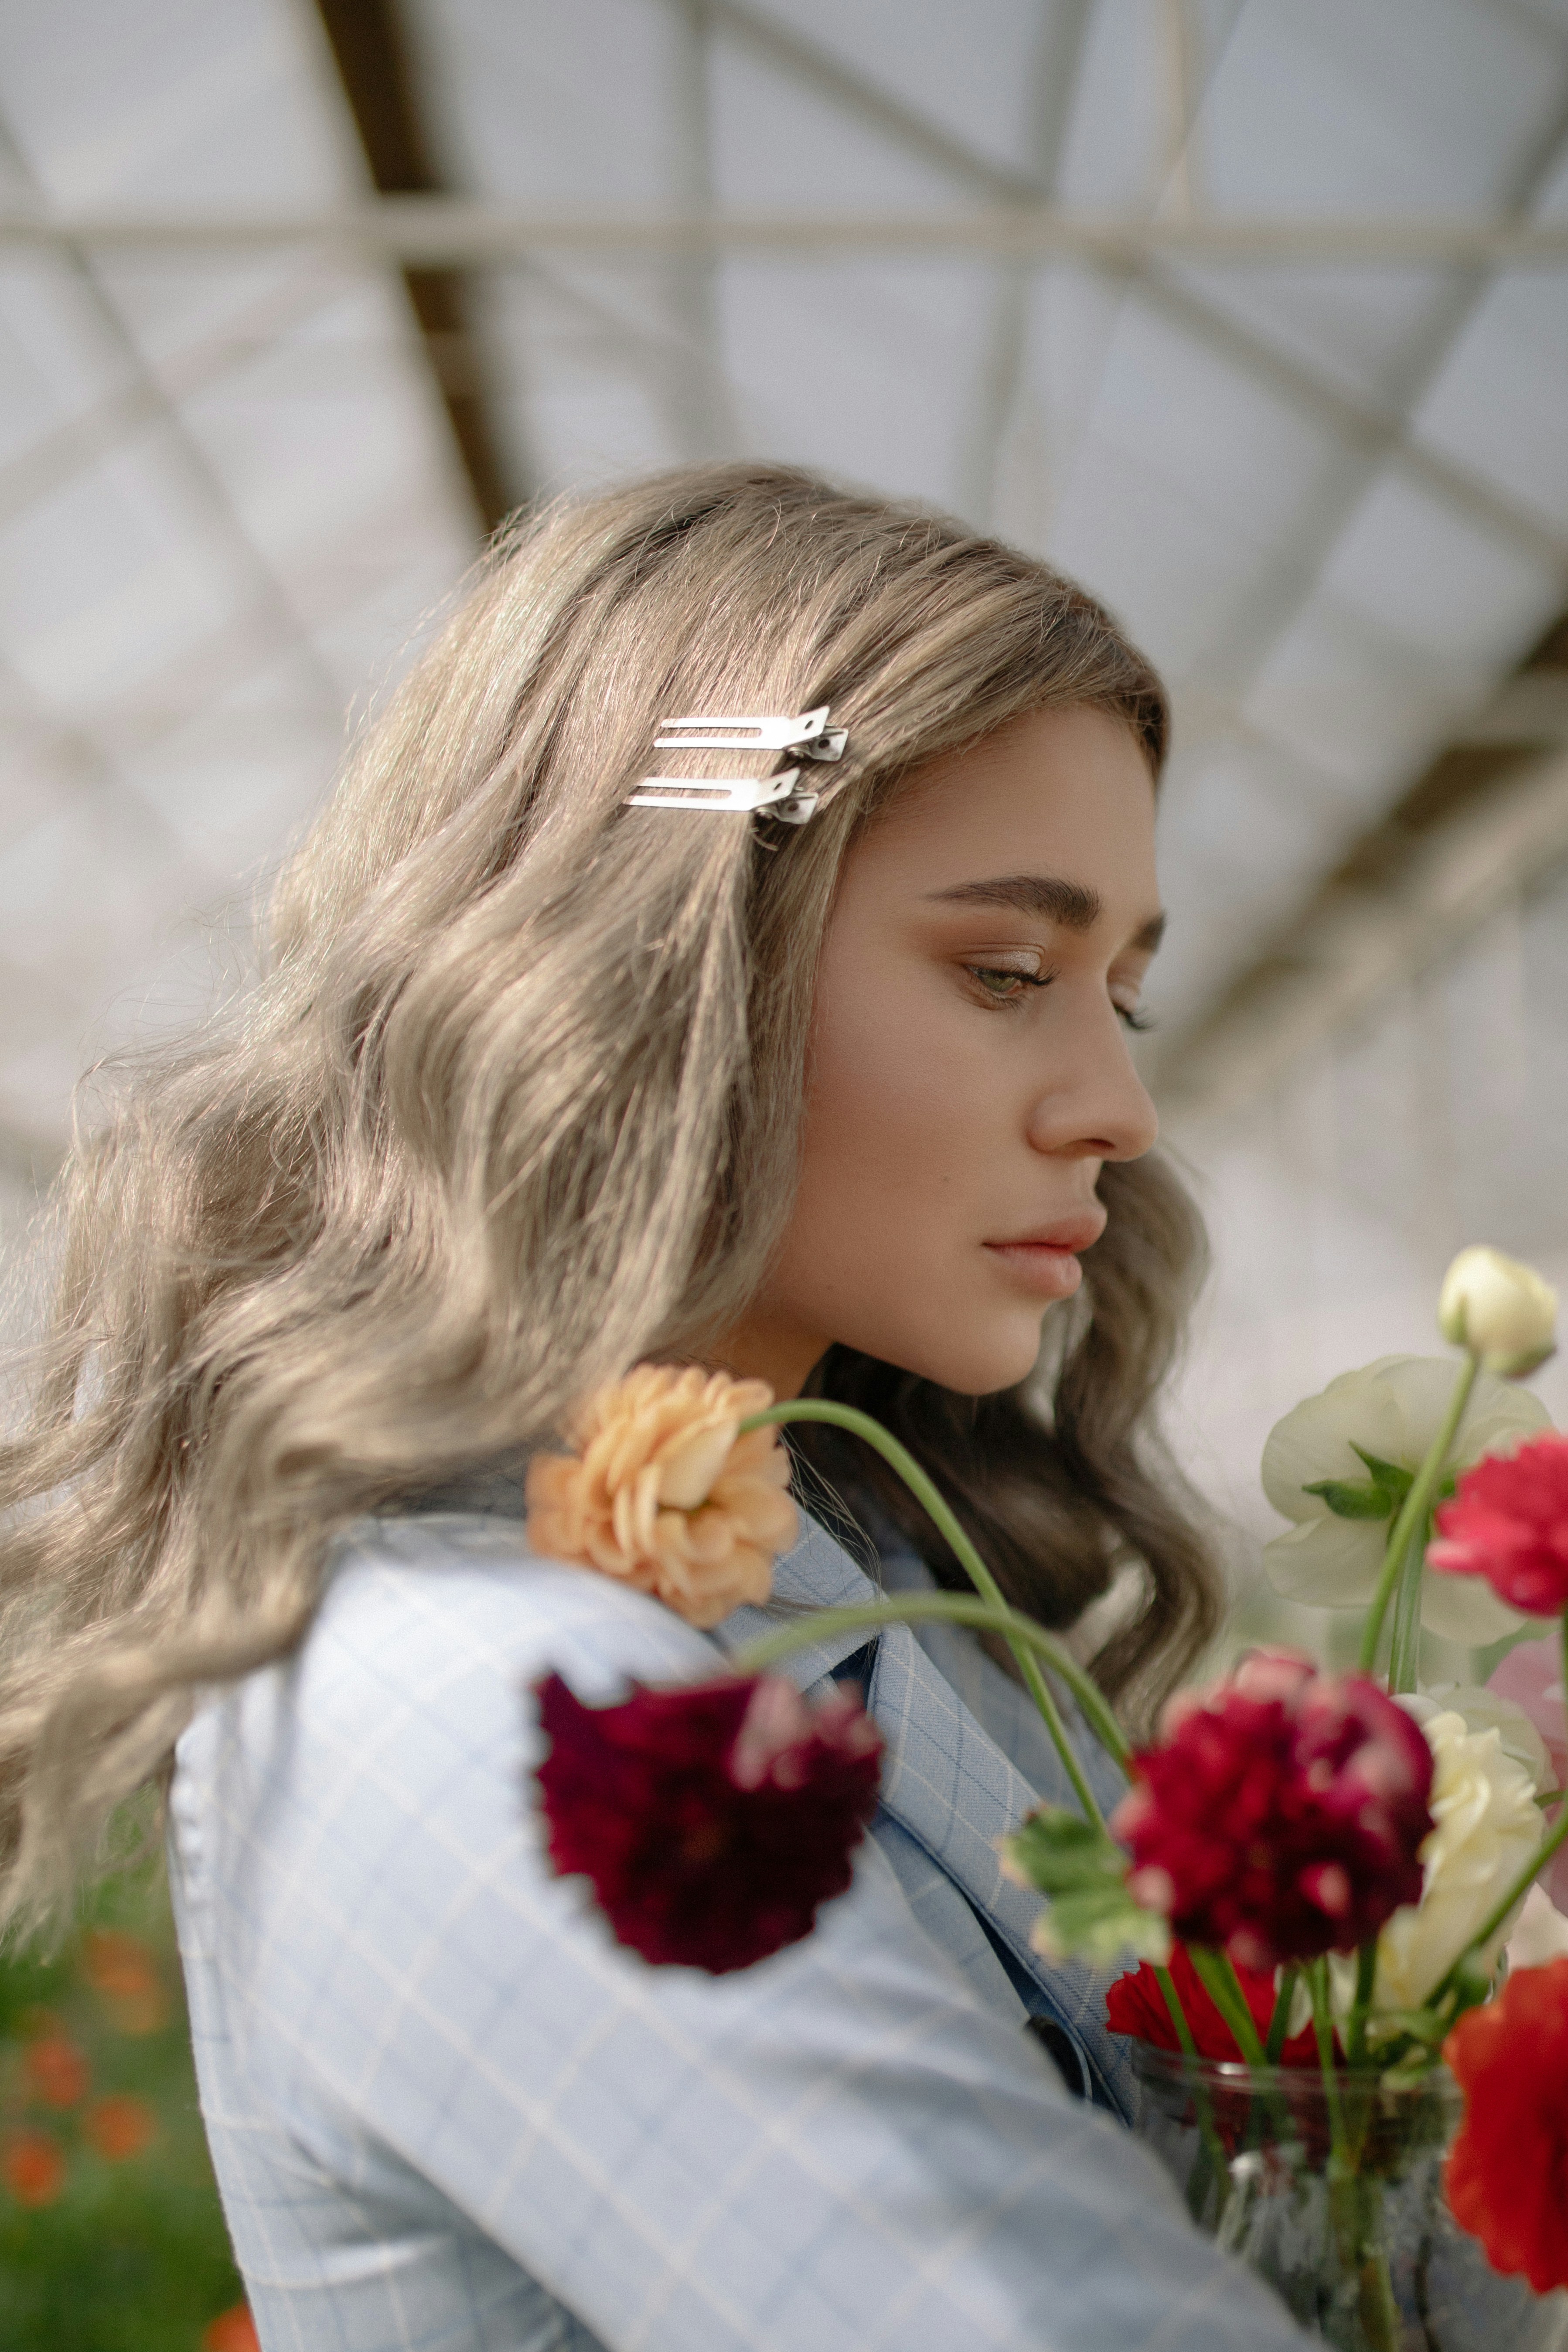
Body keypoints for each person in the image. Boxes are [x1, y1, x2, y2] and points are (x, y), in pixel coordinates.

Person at [0, 464, 1312, 2349]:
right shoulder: (483, 1712)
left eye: (1122, 991)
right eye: (1005, 970)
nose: (1116, 1103)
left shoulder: (850, 1547)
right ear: (660, 958)